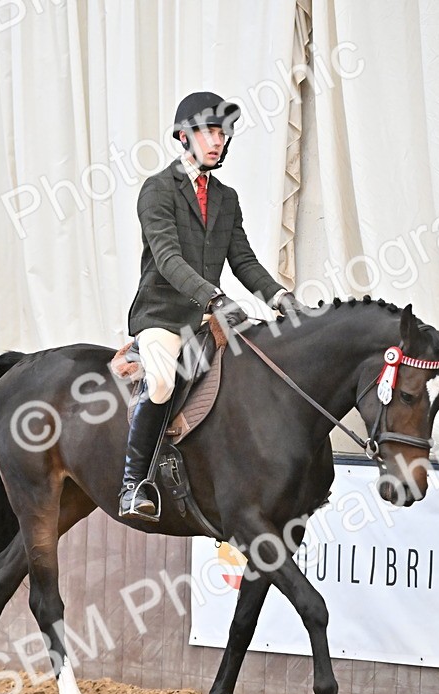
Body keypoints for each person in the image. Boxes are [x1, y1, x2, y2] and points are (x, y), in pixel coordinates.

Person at [119, 91, 305, 521]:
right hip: (162, 316)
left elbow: (243, 260)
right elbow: (168, 260)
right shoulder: (157, 190)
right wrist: (215, 298)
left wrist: (281, 298)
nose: (217, 140)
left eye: (222, 132)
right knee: (163, 381)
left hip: (205, 317)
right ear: (184, 135)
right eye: (208, 131)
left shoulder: (226, 197)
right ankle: (133, 485)